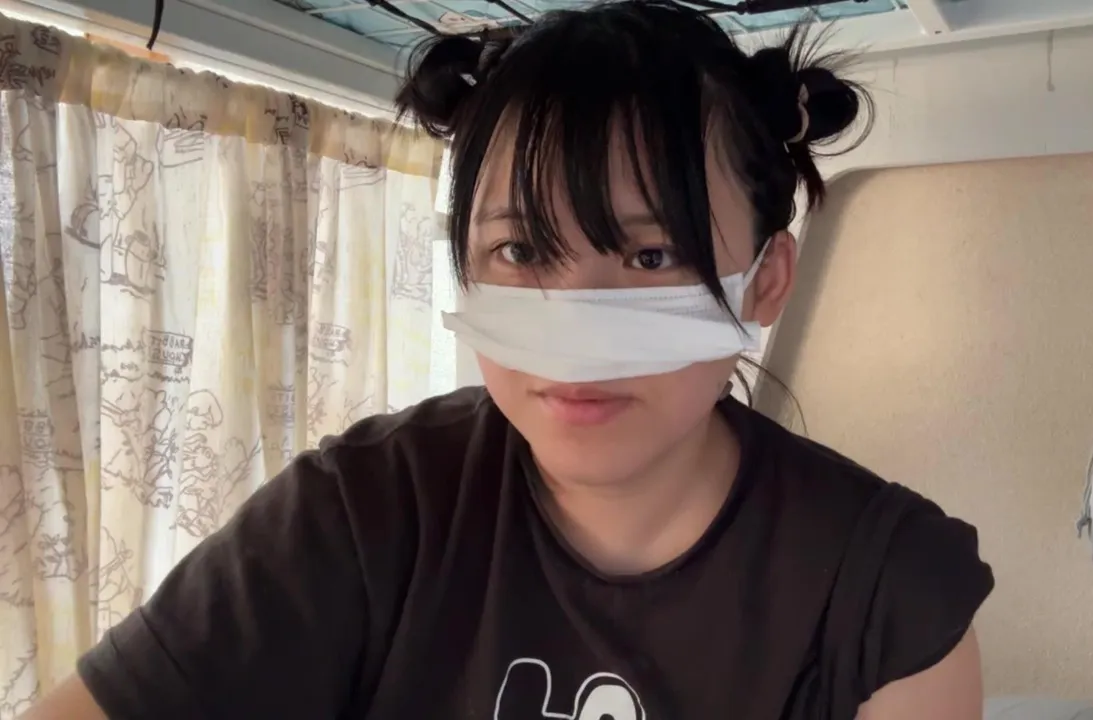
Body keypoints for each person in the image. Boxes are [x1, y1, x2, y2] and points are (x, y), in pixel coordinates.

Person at [25, 1, 993, 718]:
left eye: (651, 256)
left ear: (767, 279)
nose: (575, 327)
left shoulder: (890, 590)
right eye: (521, 249)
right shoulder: (357, 513)